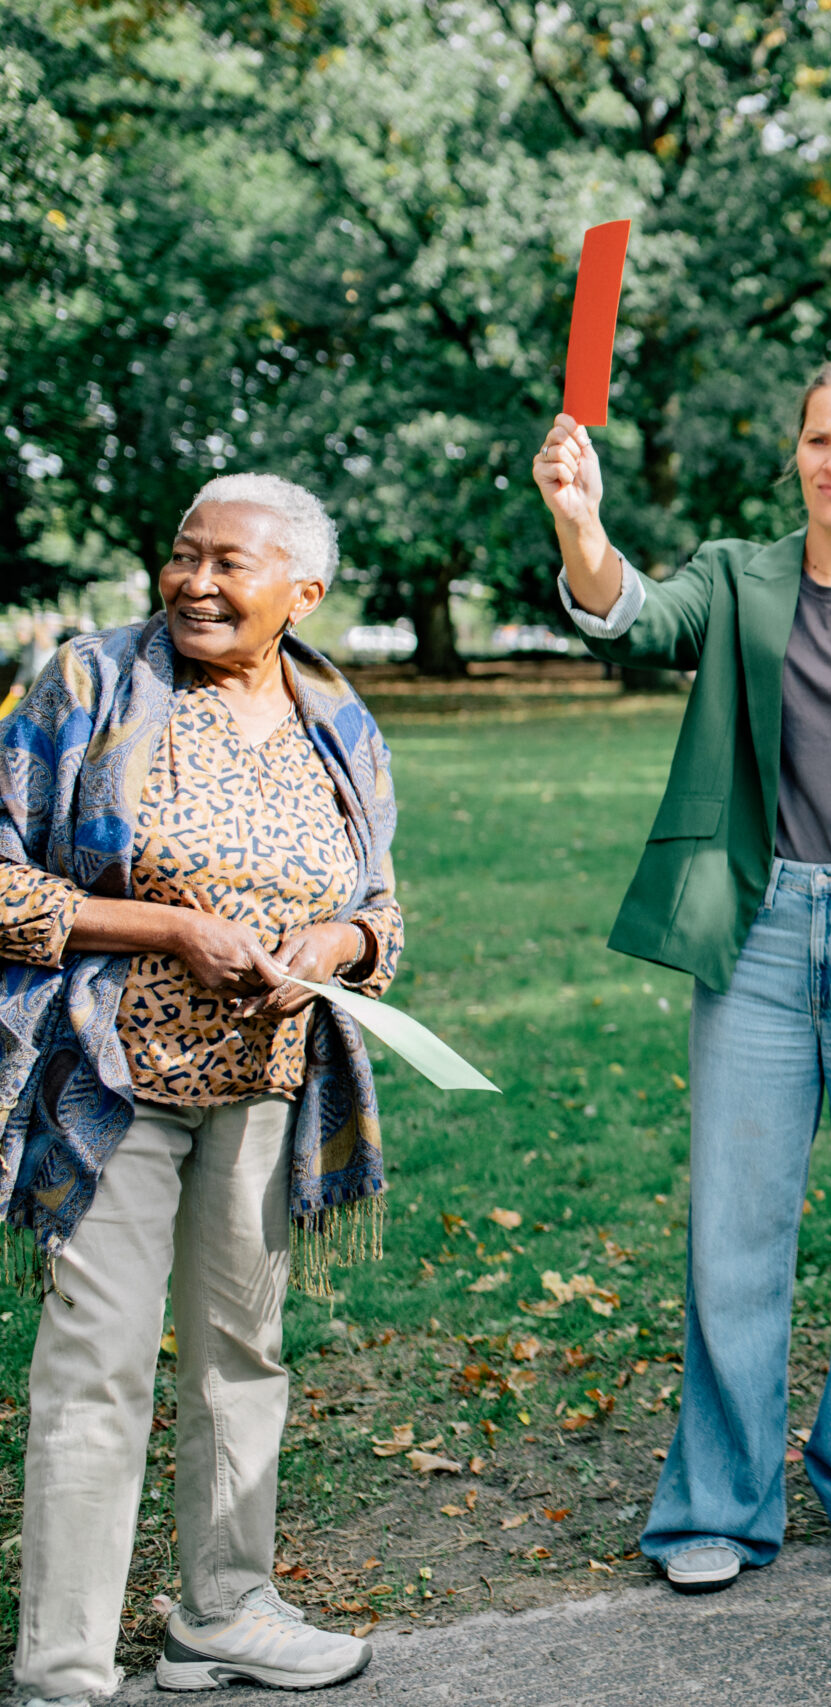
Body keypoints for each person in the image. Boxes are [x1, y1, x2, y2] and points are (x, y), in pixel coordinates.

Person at [531, 359, 831, 1593]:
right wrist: (582, 527)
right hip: (753, 932)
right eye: (818, 441)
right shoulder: (740, 577)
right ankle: (717, 1505)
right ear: (797, 454)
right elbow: (635, 617)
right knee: (733, 1237)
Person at [0, 474, 400, 1702]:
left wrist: (334, 951)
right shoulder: (84, 683)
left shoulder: (339, 718)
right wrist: (169, 934)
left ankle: (221, 1613)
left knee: (244, 1351)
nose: (196, 582)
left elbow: (380, 913)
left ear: (303, 593)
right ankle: (64, 1662)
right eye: (184, 555)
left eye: (231, 564)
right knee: (97, 1358)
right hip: (109, 1075)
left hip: (271, 1081)